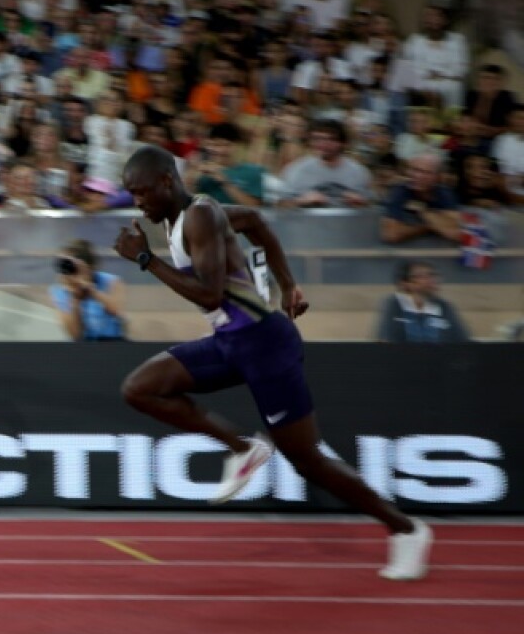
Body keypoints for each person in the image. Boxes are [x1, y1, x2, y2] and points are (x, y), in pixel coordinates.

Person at [114, 145, 432, 581]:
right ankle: (245, 448)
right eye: (131, 194)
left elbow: (210, 293)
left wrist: (145, 260)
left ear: (166, 181)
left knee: (308, 461)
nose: (137, 201)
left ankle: (407, 529)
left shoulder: (201, 216)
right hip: (231, 342)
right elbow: (258, 222)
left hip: (264, 345)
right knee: (139, 388)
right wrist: (287, 284)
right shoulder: (186, 218)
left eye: (141, 192)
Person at [376, 260, 471, 344]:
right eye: (422, 276)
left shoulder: (444, 307)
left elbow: (463, 343)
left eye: (432, 275)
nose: (430, 280)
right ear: (405, 283)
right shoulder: (394, 305)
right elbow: (384, 342)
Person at [50, 238, 126, 341]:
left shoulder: (111, 281)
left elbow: (116, 311)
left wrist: (90, 289)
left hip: (113, 341)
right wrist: (75, 298)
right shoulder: (60, 291)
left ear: (88, 266)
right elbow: (75, 334)